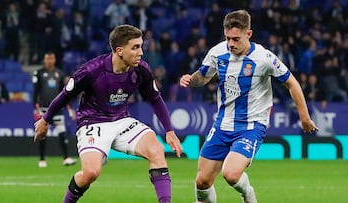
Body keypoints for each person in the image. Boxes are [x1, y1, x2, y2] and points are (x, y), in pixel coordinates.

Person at [179, 10, 318, 203]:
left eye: (236, 39)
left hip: (251, 127)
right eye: (228, 38)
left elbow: (292, 83)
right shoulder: (218, 52)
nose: (231, 44)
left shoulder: (264, 58)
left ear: (249, 34)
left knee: (231, 174)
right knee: (202, 182)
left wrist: (304, 117)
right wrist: (190, 79)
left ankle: (248, 195)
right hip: (222, 124)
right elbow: (203, 76)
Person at [34, 24, 182, 203]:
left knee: (156, 150)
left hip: (121, 120)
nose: (141, 52)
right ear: (119, 50)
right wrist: (45, 120)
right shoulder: (90, 70)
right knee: (90, 173)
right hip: (92, 122)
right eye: (135, 47)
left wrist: (169, 131)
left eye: (141, 46)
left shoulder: (141, 69)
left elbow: (155, 98)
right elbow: (65, 96)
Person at [33, 51, 77, 168]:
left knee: (62, 133)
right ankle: (42, 159)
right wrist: (35, 108)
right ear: (44, 60)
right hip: (43, 108)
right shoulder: (39, 73)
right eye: (47, 59)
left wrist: (69, 108)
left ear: (54, 60)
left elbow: (64, 93)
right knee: (43, 134)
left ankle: (66, 158)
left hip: (57, 109)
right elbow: (36, 92)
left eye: (51, 59)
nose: (49, 61)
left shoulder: (60, 74)